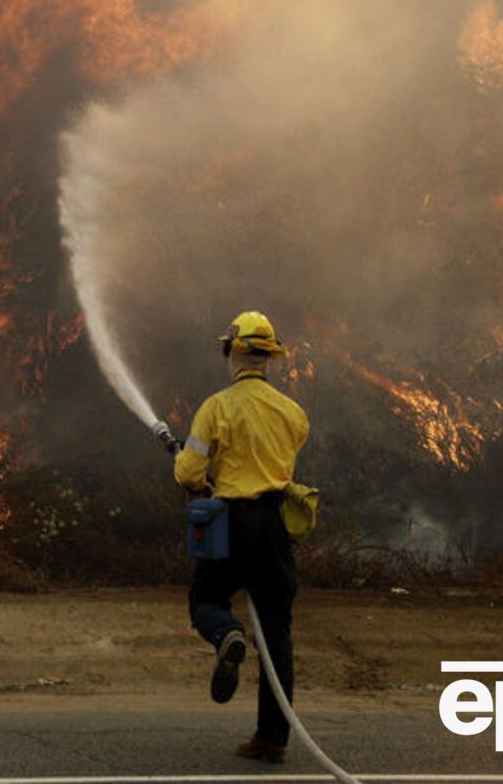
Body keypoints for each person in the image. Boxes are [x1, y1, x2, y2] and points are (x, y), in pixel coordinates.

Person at [173, 310, 308, 765]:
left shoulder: (217, 407)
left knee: (205, 600)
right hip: (273, 525)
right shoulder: (293, 413)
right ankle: (272, 740)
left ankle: (226, 634)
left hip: (230, 520)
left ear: (232, 351)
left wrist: (198, 473)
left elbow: (189, 472)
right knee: (276, 632)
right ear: (269, 357)